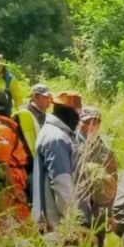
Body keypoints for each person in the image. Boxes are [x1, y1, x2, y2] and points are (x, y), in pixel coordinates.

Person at [74, 106, 118, 247]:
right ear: (79, 123)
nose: (90, 126)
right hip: (76, 208)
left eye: (95, 123)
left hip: (98, 209)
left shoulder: (106, 152)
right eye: (87, 122)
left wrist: (111, 214)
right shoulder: (71, 145)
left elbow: (112, 184)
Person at [35, 91, 83, 231]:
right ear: (69, 113)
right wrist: (73, 219)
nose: (79, 119)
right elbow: (61, 183)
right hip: (57, 222)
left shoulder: (53, 132)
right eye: (77, 113)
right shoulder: (56, 138)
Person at [0, 92, 30, 223]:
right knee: (21, 223)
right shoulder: (3, 129)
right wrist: (14, 190)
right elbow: (2, 164)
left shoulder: (0, 126)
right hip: (10, 181)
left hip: (13, 179)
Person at [14, 83, 54, 215]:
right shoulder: (24, 114)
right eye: (45, 97)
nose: (49, 101)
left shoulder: (43, 114)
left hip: (40, 162)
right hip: (28, 164)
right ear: (36, 97)